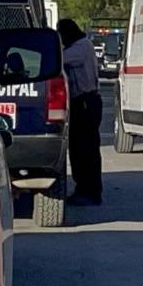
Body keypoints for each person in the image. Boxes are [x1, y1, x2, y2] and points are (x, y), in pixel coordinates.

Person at [58, 19, 103, 205]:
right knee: (82, 149)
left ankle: (88, 190)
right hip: (85, 102)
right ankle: (87, 189)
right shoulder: (82, 45)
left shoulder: (80, 48)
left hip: (85, 103)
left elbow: (58, 59)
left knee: (84, 150)